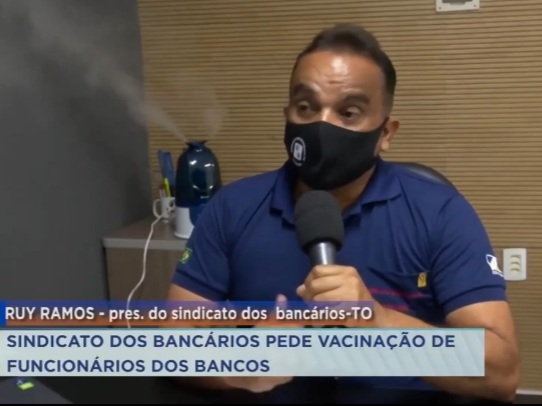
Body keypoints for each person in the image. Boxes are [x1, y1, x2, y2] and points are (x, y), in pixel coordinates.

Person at [167, 24, 520, 402]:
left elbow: (501, 373)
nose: (323, 126)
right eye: (306, 108)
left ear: (386, 133)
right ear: (287, 115)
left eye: (349, 112)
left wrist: (381, 324)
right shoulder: (232, 207)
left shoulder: (441, 213)